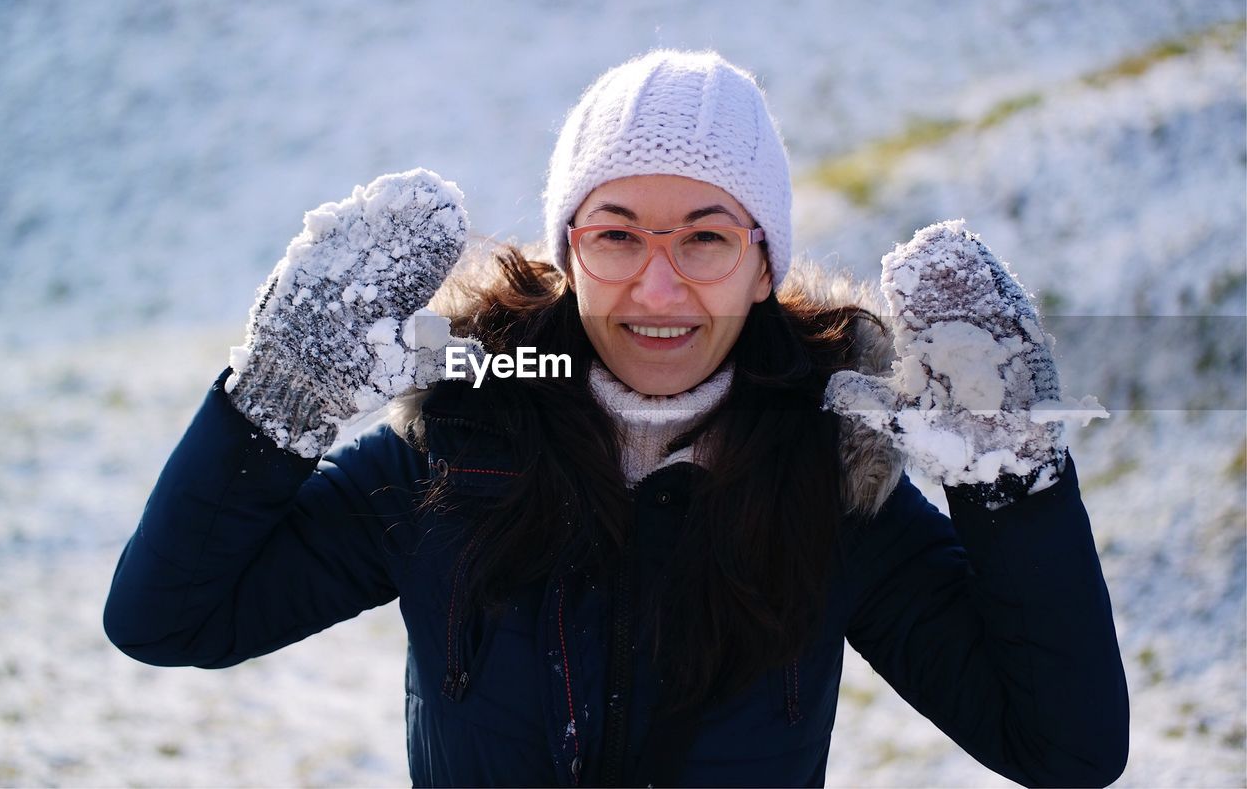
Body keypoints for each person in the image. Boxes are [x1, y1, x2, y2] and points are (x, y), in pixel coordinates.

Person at [104, 50, 1129, 787]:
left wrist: (1010, 481)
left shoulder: (826, 483)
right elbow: (166, 618)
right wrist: (273, 403)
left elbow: (1065, 748)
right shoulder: (452, 452)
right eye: (616, 234)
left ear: (763, 263)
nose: (657, 284)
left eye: (704, 238)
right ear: (565, 250)